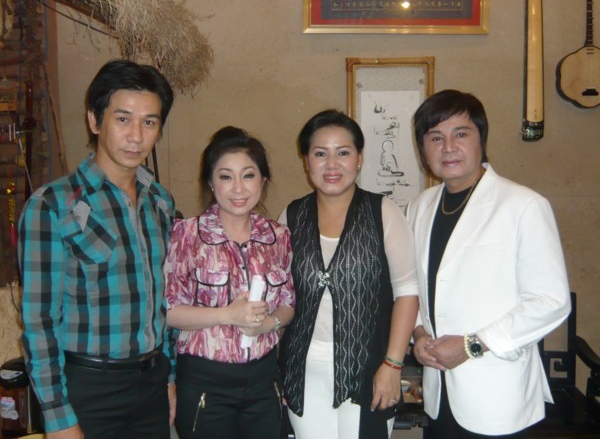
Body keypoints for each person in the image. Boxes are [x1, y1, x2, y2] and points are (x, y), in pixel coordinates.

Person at [17, 60, 177, 439]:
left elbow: (164, 299)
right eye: (123, 119)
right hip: (87, 390)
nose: (136, 136)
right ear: (94, 120)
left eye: (149, 122)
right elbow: (39, 323)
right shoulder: (52, 205)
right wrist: (58, 417)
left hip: (151, 385)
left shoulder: (160, 202)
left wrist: (169, 376)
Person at [406, 89, 572, 438]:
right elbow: (416, 285)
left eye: (461, 134)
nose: (448, 147)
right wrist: (418, 333)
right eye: (435, 137)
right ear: (423, 149)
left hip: (498, 392)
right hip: (439, 392)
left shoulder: (523, 205)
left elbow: (551, 301)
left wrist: (473, 345)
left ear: (482, 139)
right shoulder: (420, 207)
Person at [279, 109, 419, 439]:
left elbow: (407, 293)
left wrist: (393, 364)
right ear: (306, 161)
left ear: (359, 158)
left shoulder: (383, 212)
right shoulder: (292, 216)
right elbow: (282, 294)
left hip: (369, 369)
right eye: (320, 153)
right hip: (303, 370)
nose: (332, 164)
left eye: (343, 153)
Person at [164, 126, 295, 439]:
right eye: (226, 176)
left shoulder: (278, 236)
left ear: (263, 180)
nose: (238, 188)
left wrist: (270, 323)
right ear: (211, 183)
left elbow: (289, 303)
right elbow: (167, 310)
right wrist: (228, 315)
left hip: (264, 381)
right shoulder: (186, 234)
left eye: (248, 175)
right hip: (206, 383)